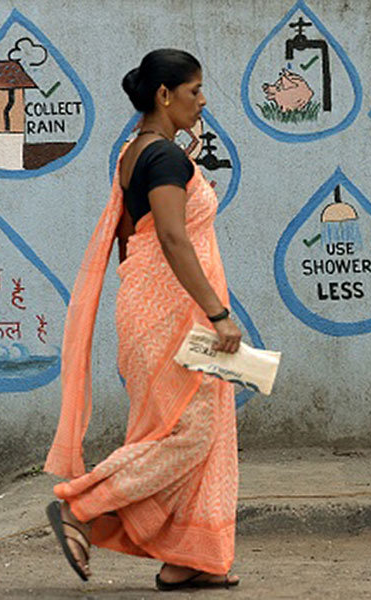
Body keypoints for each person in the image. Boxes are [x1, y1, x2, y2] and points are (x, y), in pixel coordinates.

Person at [43, 48, 243, 591]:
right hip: (173, 317)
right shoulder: (164, 159)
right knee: (187, 433)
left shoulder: (137, 153)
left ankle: (190, 559)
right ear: (164, 95)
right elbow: (174, 240)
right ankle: (81, 507)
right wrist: (218, 314)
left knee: (202, 430)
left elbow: (143, 239)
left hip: (151, 310)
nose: (202, 102)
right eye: (194, 91)